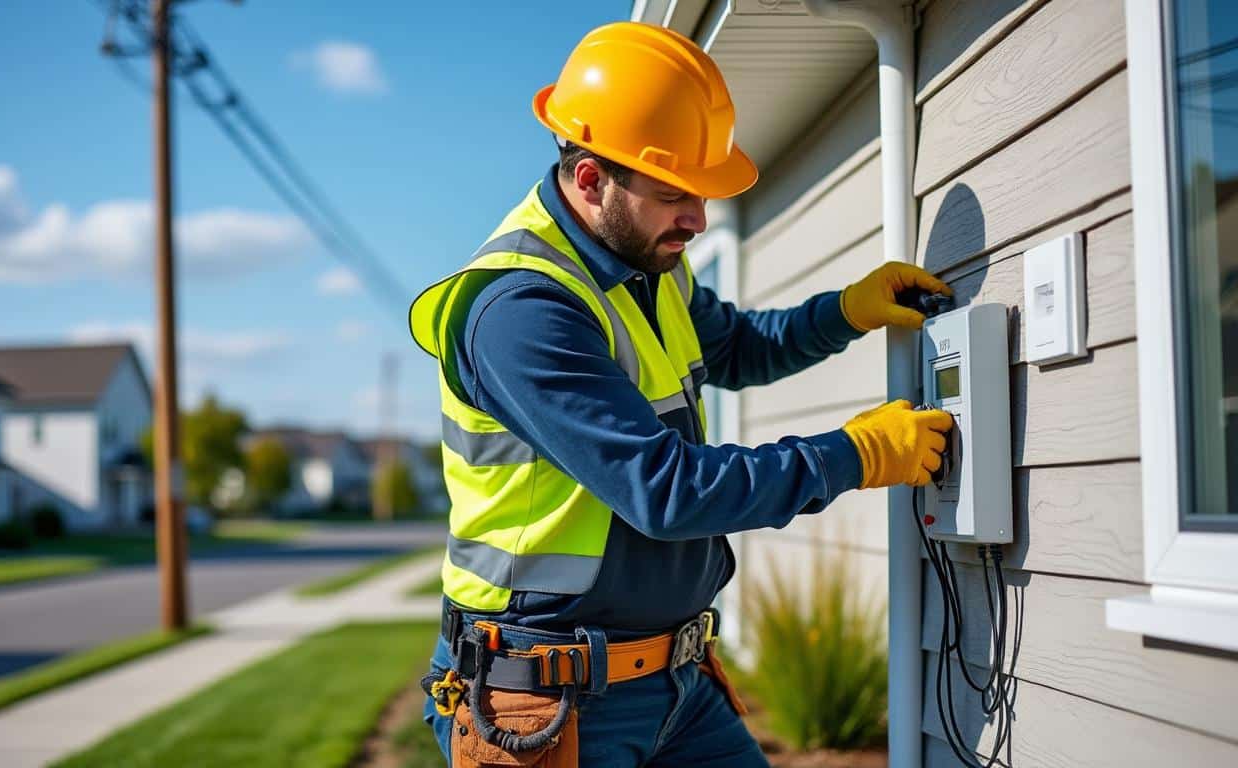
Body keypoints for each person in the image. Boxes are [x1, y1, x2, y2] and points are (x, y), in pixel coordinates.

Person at [408, 20, 953, 768]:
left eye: (700, 194)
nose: (696, 219)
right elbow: (666, 492)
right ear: (592, 180)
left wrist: (844, 312)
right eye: (674, 194)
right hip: (542, 704)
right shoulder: (520, 313)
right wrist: (853, 455)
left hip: (675, 683)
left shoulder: (648, 263)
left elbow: (736, 348)